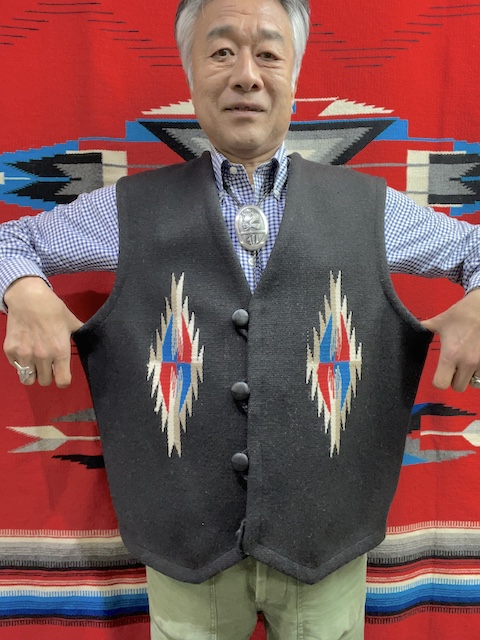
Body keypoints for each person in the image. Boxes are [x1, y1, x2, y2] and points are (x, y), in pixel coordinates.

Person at [2, 0, 480, 638]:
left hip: (327, 543)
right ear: (191, 74)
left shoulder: (371, 211)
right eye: (222, 52)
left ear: (295, 75)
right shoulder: (128, 211)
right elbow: (10, 243)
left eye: (268, 54)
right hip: (183, 547)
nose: (246, 75)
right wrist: (23, 288)